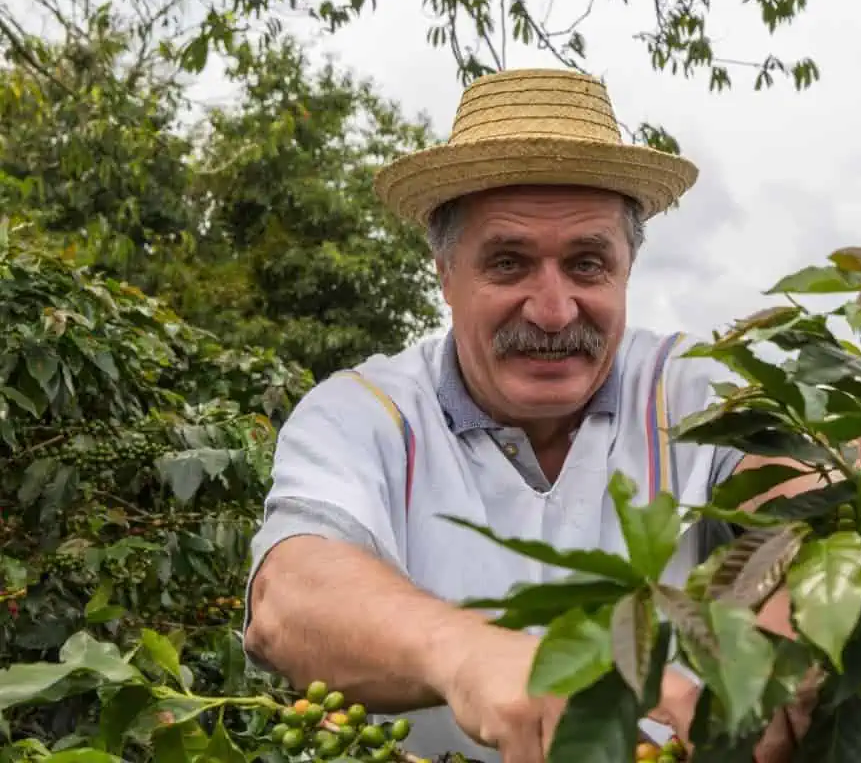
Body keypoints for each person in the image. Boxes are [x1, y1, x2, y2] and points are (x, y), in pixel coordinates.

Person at [242, 68, 828, 763]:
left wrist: (793, 616)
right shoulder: (367, 414)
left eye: (586, 265)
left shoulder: (698, 395)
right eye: (510, 263)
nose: (553, 311)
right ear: (445, 273)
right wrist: (468, 656)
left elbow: (801, 486)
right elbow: (292, 598)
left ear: (627, 271)